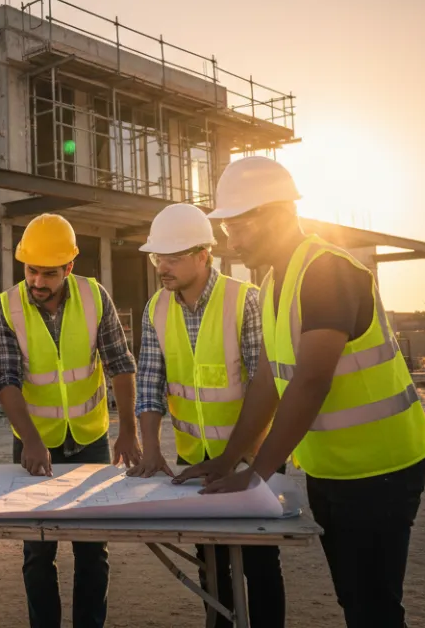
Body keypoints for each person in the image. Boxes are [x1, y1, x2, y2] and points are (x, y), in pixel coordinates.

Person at [174, 156, 425, 628]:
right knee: (355, 600)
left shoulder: (327, 271)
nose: (229, 239)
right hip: (333, 469)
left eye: (237, 224)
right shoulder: (275, 282)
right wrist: (229, 457)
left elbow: (311, 379)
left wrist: (256, 473)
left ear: (275, 214)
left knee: (372, 607)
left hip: (381, 467)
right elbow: (267, 382)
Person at [129, 202, 286, 627]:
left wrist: (240, 459)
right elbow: (149, 384)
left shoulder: (246, 301)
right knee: (211, 565)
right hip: (194, 461)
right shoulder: (156, 309)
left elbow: (263, 387)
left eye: (173, 257)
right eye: (158, 256)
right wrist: (149, 450)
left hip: (249, 459)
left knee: (259, 562)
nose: (162, 266)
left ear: (204, 254)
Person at [0, 213, 141, 628]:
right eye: (31, 270)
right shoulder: (5, 308)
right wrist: (32, 440)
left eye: (48, 273)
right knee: (38, 550)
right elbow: (5, 380)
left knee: (92, 549)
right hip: (35, 443)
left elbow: (120, 364)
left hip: (92, 438)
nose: (37, 281)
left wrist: (128, 429)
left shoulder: (95, 297)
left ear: (69, 268)